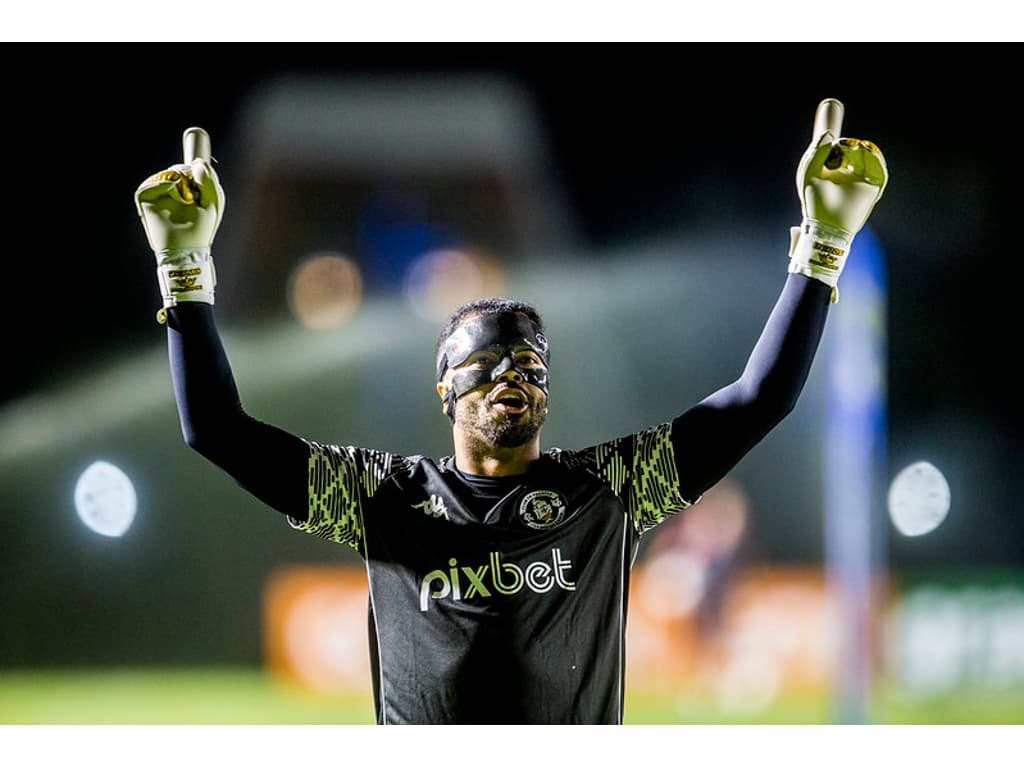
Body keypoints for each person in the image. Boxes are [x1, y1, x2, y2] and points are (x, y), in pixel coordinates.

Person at [134, 97, 888, 725]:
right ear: (443, 388)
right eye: (487, 365)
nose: (511, 379)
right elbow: (218, 430)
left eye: (530, 365)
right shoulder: (380, 497)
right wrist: (182, 274)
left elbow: (759, 400)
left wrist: (822, 245)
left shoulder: (608, 491)